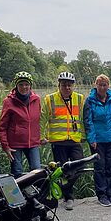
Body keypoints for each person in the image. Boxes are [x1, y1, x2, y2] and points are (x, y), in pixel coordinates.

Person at [40, 71, 85, 211]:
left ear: (73, 86)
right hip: (58, 140)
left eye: (70, 85)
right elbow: (42, 119)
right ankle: (68, 197)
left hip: (74, 139)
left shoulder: (79, 98)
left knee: (80, 166)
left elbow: (82, 118)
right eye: (64, 85)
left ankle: (61, 187)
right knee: (63, 169)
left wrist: (84, 135)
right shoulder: (49, 99)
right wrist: (42, 136)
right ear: (59, 85)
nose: (67, 87)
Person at [83, 74, 111, 207]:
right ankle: (102, 194)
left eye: (105, 85)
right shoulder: (90, 101)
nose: (102, 87)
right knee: (99, 167)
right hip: (97, 139)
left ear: (108, 86)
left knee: (110, 166)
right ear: (96, 85)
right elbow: (88, 121)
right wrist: (91, 138)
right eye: (100, 85)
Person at [0, 72, 42, 178]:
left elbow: (39, 120)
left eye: (26, 84)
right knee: (17, 172)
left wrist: (42, 136)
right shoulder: (9, 102)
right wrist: (5, 146)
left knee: (36, 170)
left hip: (33, 142)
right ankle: (18, 194)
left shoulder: (36, 99)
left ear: (30, 85)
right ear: (16, 86)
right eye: (21, 84)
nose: (24, 87)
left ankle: (35, 193)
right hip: (15, 144)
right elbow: (2, 126)